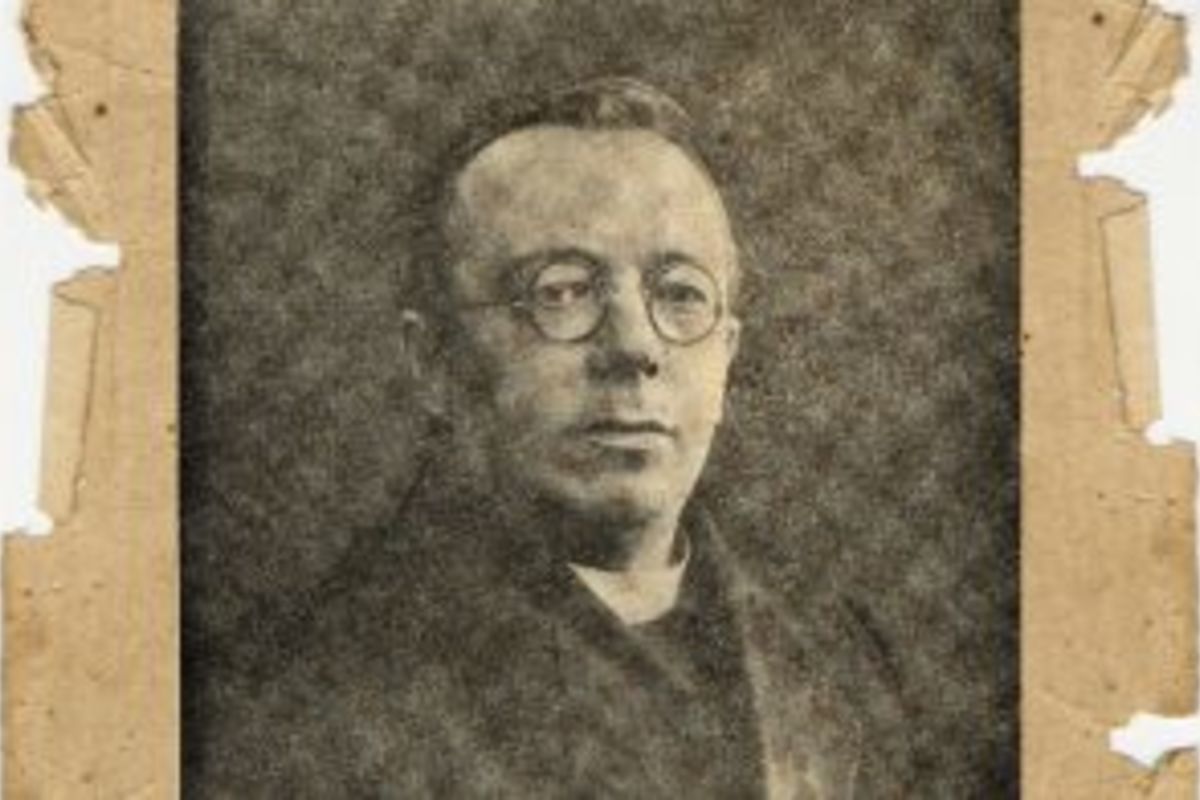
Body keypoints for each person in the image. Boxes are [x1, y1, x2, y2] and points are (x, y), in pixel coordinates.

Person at [198, 77, 913, 798]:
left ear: (726, 354)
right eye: (562, 292)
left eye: (680, 293)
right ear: (435, 361)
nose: (635, 347)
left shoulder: (843, 665)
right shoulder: (297, 703)